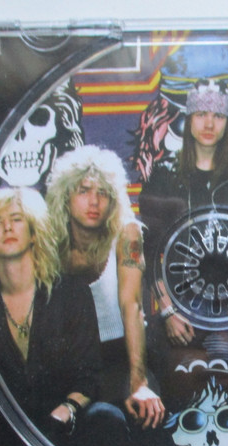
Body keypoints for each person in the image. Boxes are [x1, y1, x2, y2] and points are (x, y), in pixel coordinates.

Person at [0, 187, 128, 446]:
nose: (7, 228)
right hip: (4, 435)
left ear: (33, 233)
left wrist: (67, 409)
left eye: (16, 219)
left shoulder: (70, 293)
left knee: (107, 417)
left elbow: (89, 376)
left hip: (63, 428)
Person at [139, 78, 228, 347]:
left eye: (218, 116)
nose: (209, 124)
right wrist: (167, 310)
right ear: (188, 120)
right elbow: (149, 251)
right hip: (182, 307)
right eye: (201, 114)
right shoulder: (164, 174)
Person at [45, 145, 165, 429]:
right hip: (68, 363)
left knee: (130, 417)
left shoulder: (127, 233)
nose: (94, 202)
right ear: (65, 196)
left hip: (120, 356)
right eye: (84, 191)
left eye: (103, 193)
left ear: (114, 200)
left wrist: (138, 381)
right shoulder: (48, 238)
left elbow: (132, 305)